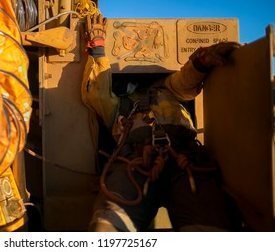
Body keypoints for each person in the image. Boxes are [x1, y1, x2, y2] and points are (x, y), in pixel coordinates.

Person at [81, 13, 241, 232]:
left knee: (208, 232)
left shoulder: (168, 89)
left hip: (184, 159)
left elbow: (184, 81)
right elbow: (97, 93)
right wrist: (97, 48)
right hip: (135, 163)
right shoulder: (118, 105)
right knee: (106, 229)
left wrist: (201, 60)